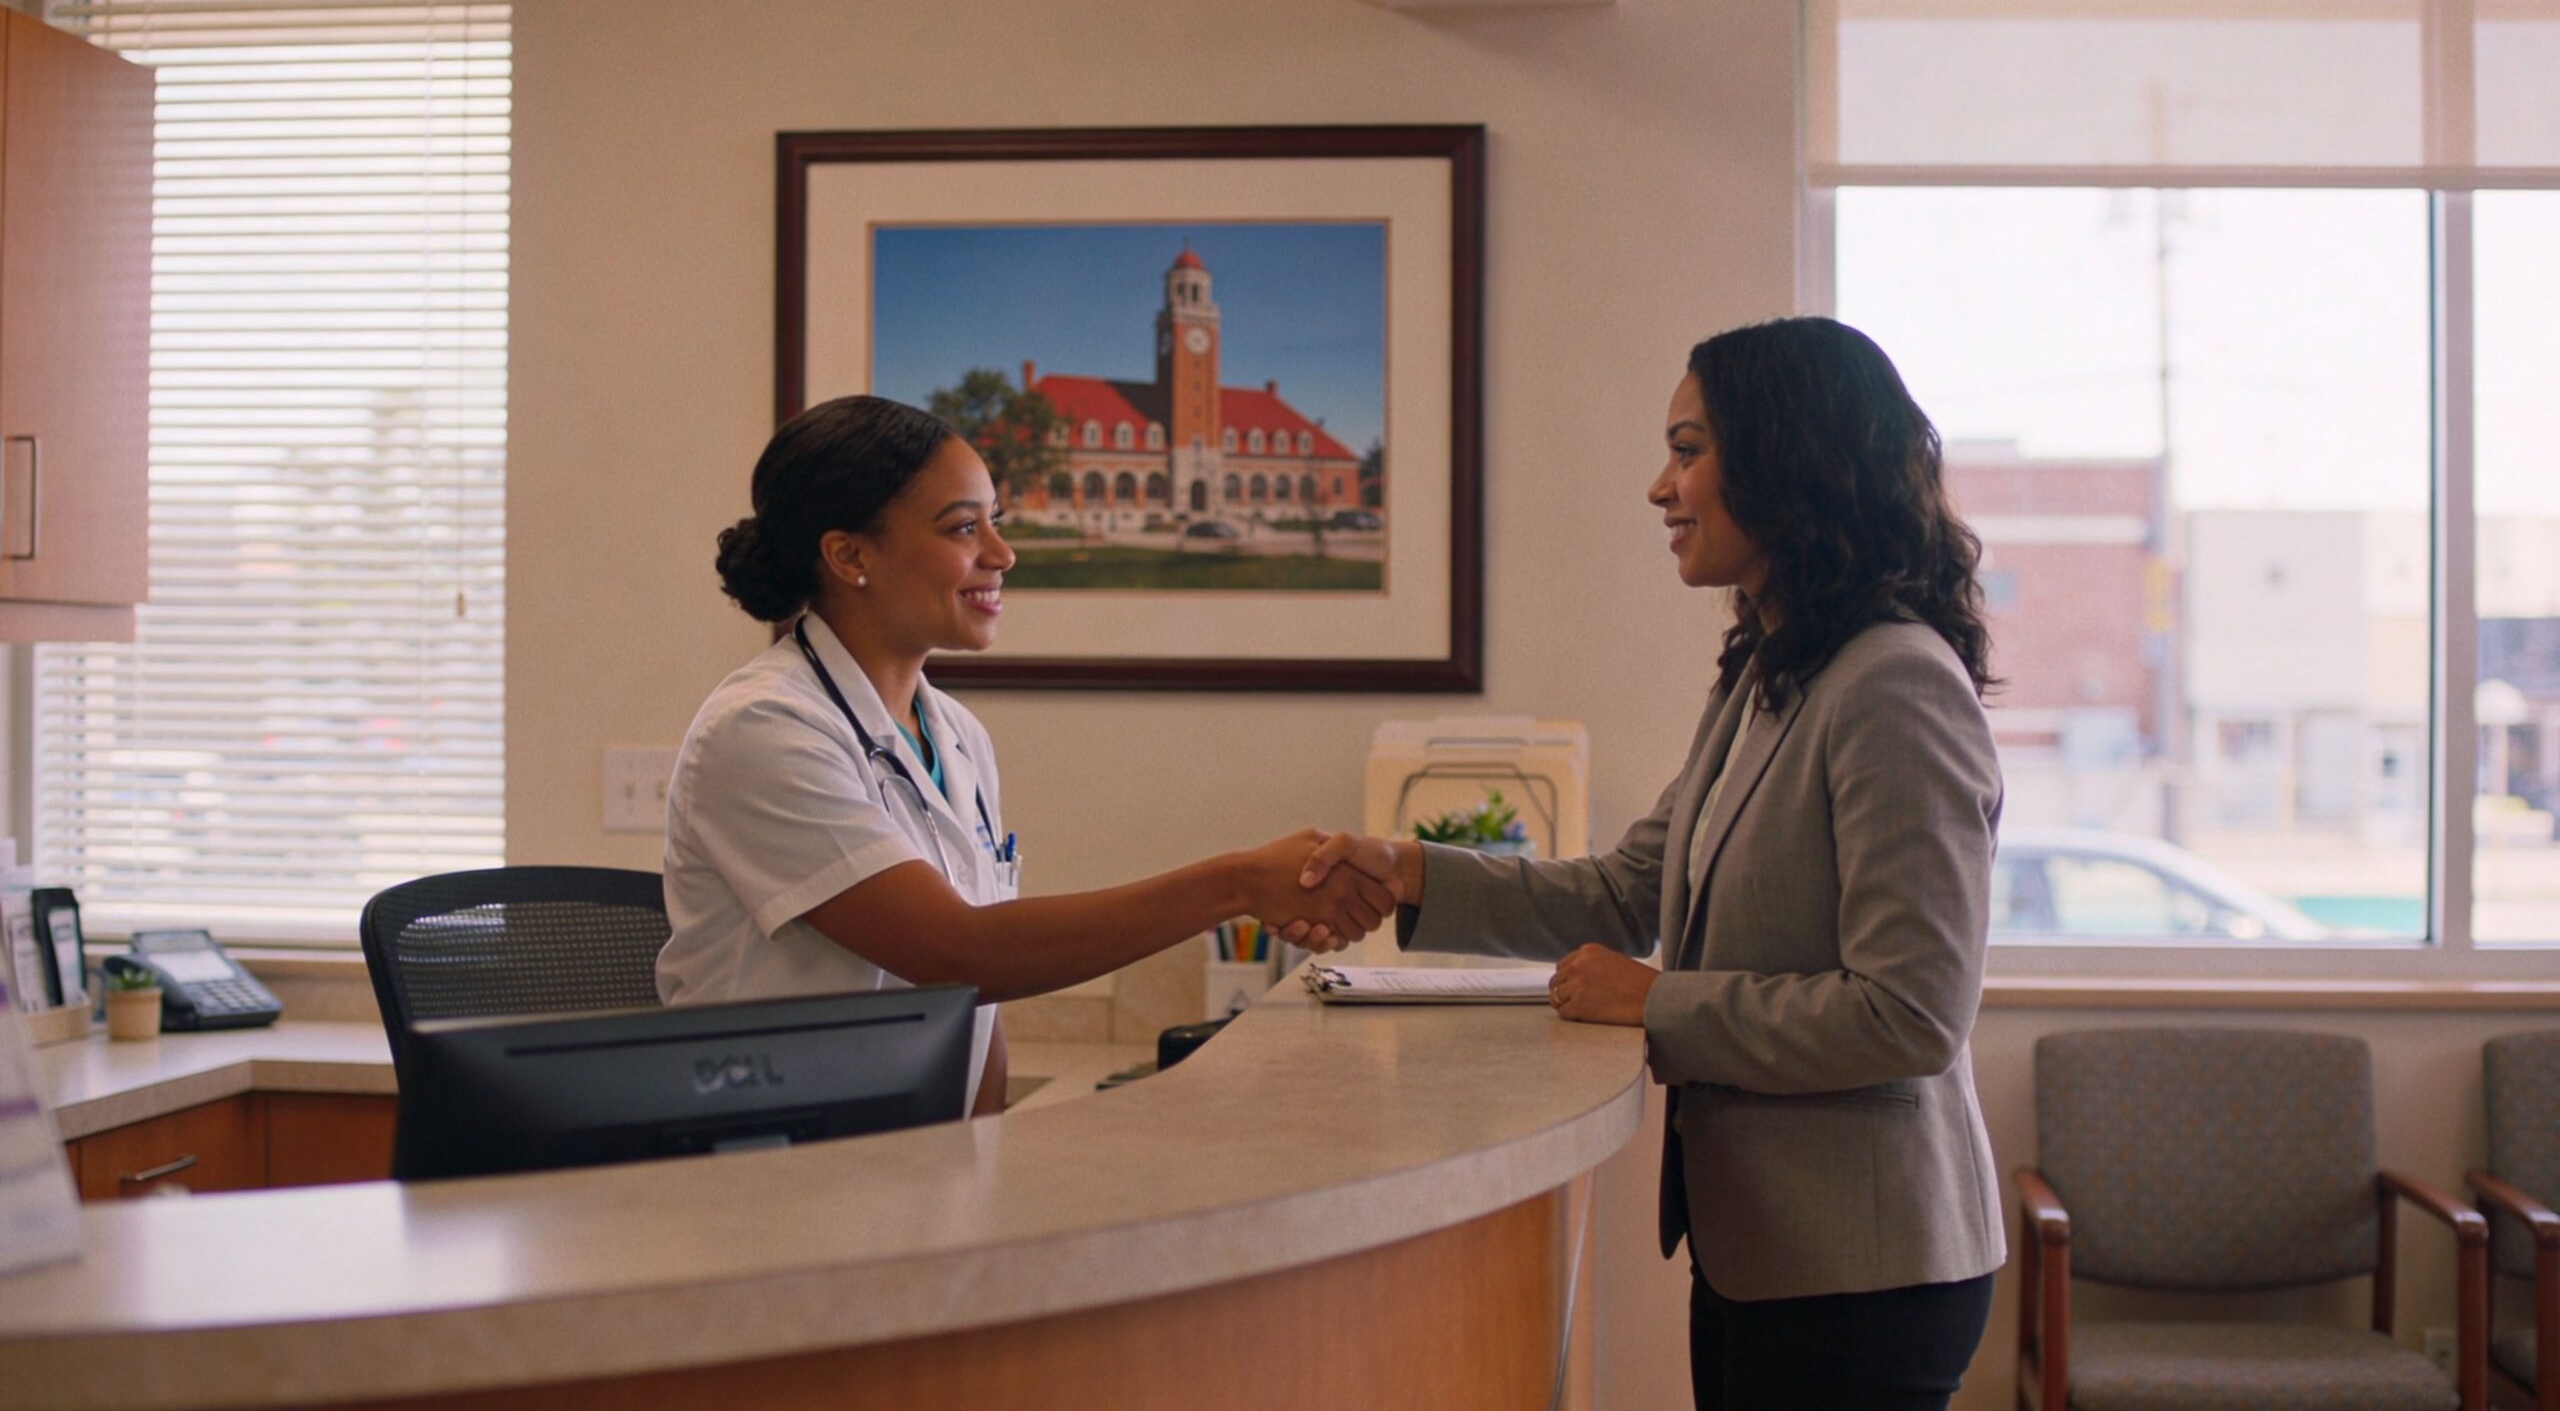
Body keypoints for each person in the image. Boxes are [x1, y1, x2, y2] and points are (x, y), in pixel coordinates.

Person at [1299, 318, 2007, 1409]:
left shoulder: (1894, 685)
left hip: (1864, 1272)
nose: (1657, 488)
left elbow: (1909, 1013)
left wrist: (1660, 1004)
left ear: (1786, 459)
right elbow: (1626, 891)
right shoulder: (1771, 673)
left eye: (1686, 450)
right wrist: (1407, 869)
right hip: (1761, 1251)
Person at [659, 395, 1394, 1117]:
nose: (1003, 555)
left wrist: (983, 1173)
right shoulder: (763, 727)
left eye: (996, 524)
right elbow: (957, 952)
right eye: (962, 528)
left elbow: (980, 1005)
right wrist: (1235, 884)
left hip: (914, 1166)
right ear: (850, 555)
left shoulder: (954, 733)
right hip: (784, 1178)